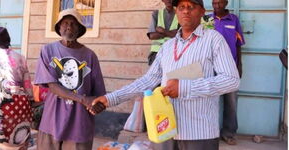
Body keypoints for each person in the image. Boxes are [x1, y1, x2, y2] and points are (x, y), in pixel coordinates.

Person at [90, 0, 240, 149]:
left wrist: (183, 88)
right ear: (177, 12)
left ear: (202, 12)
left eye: (191, 7)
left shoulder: (213, 39)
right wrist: (110, 99)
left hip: (199, 132)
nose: (186, 11)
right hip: (164, 130)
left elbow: (231, 80)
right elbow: (148, 80)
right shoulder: (167, 46)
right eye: (181, 7)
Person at [33, 9, 106, 150]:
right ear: (59, 27)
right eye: (65, 23)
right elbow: (52, 85)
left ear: (79, 29)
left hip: (79, 123)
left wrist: (98, 105)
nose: (69, 27)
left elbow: (98, 93)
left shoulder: (90, 56)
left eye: (73, 24)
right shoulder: (47, 50)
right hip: (52, 119)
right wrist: (83, 100)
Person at [209, 0, 245, 145]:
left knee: (231, 102)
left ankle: (228, 133)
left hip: (230, 67)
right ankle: (210, 133)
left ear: (226, 2)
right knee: (210, 101)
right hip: (210, 67)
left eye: (219, 2)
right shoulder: (207, 20)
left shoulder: (234, 20)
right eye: (214, 2)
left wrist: (240, 65)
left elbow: (238, 44)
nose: (216, 5)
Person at [0, 27, 34, 149]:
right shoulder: (20, 57)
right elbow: (27, 83)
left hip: (3, 103)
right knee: (19, 138)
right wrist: (31, 101)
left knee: (3, 142)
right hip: (22, 103)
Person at [147, 0, 179, 65]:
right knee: (155, 74)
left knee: (170, 74)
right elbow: (152, 36)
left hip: (173, 53)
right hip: (156, 53)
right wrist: (171, 33)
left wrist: (162, 31)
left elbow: (179, 35)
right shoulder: (156, 14)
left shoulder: (180, 14)